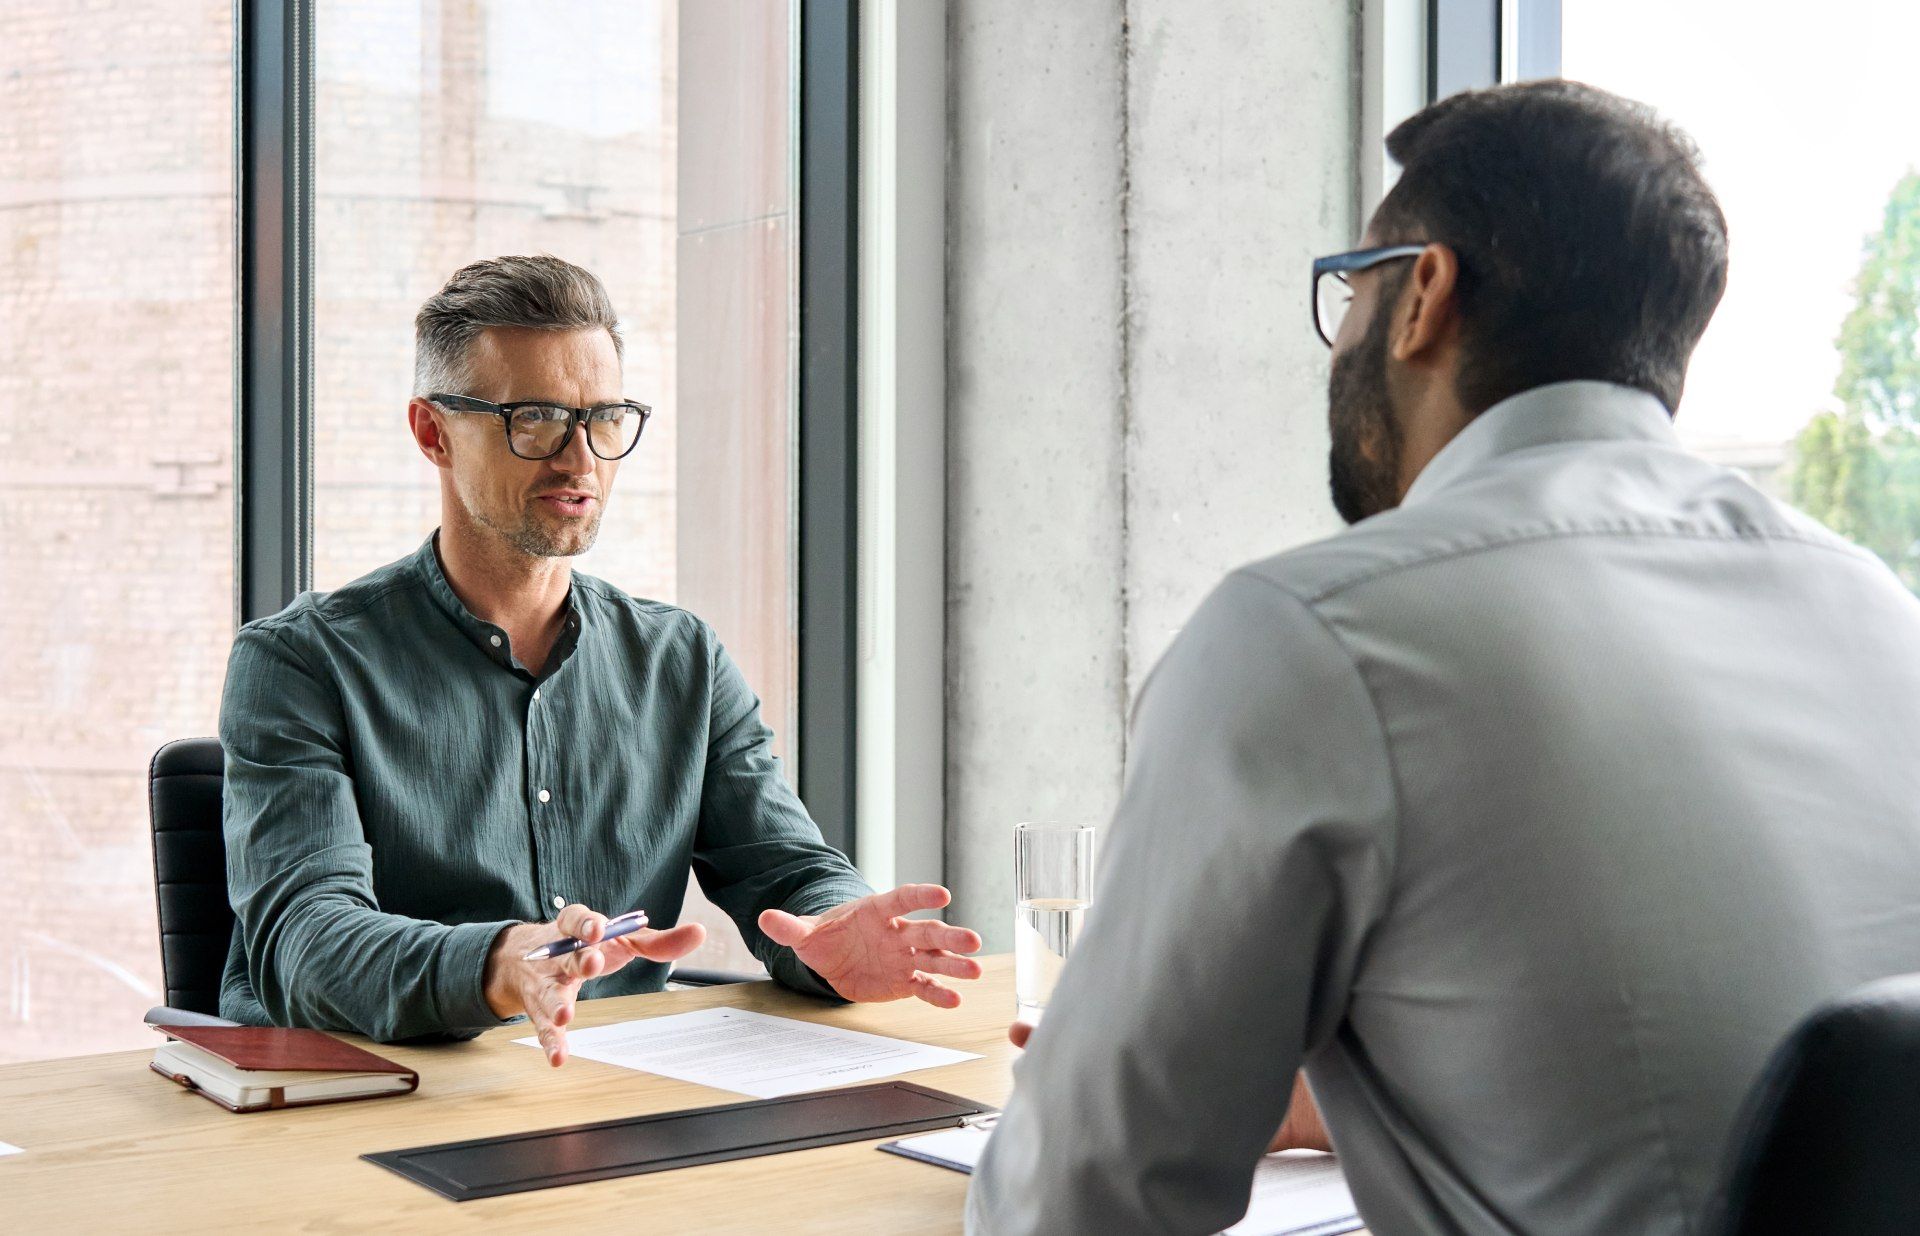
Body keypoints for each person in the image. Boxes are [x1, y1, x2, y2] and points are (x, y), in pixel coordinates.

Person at [969, 80, 1920, 1235]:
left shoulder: (1318, 634)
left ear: (1423, 293)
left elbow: (1075, 1203)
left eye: (1351, 291)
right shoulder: (1874, 608)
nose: (1342, 349)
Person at [219, 255, 981, 1061]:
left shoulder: (680, 659)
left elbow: (787, 873)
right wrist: (500, 965)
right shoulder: (300, 663)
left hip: (605, 1099)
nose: (581, 459)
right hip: (367, 1113)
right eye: (537, 417)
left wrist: (832, 928)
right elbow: (306, 944)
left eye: (605, 417)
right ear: (432, 431)